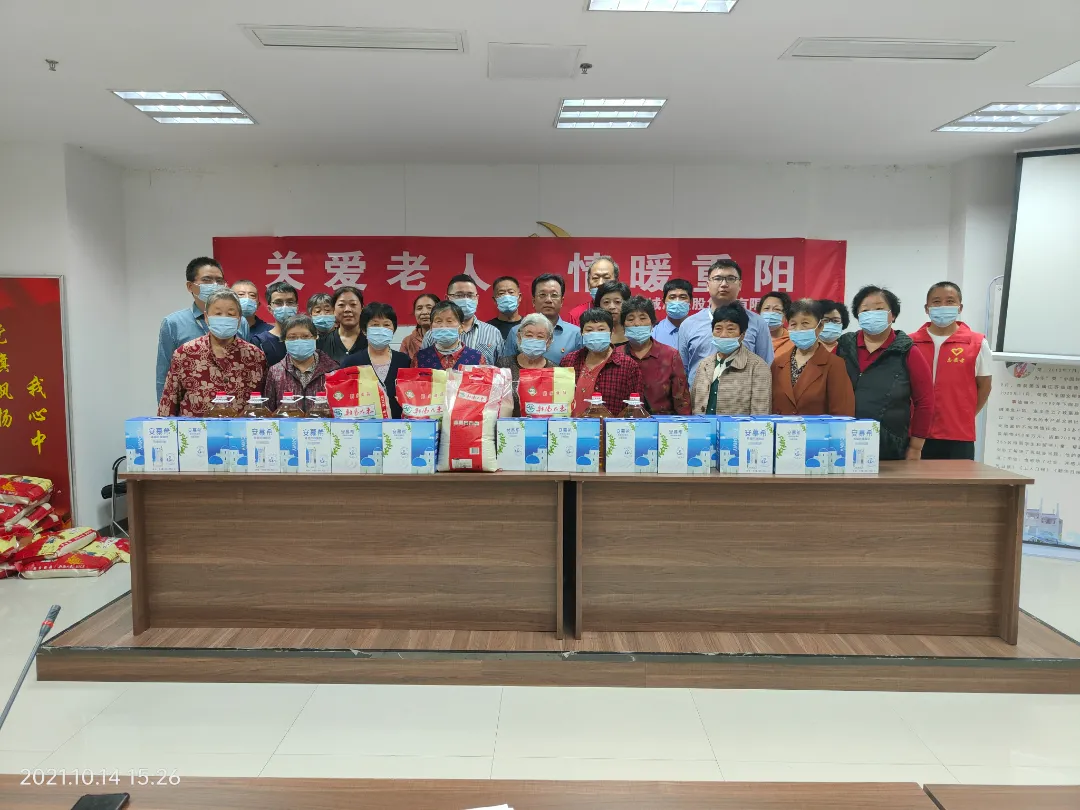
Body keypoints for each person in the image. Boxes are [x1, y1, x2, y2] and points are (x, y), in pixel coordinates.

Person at [836, 285, 935, 461]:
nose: (872, 314)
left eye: (879, 309)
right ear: (858, 316)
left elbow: (925, 402)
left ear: (893, 315)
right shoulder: (843, 346)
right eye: (865, 310)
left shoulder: (908, 351)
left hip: (890, 447)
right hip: (841, 443)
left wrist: (915, 447)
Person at [909, 281, 993, 460]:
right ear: (927, 308)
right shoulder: (910, 343)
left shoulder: (977, 343)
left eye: (950, 301)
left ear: (960, 307)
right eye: (936, 302)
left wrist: (964, 415)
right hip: (913, 433)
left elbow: (984, 386)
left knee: (957, 479)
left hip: (957, 435)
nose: (943, 306)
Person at [158, 289, 265, 417]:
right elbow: (168, 403)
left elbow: (264, 404)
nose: (224, 318)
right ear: (206, 318)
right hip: (195, 429)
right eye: (218, 314)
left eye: (231, 314)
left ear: (239, 319)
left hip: (240, 429)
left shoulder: (255, 356)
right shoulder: (185, 353)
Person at [155, 257, 250, 401]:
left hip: (234, 404)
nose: (215, 285)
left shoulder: (240, 322)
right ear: (190, 286)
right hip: (194, 407)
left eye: (219, 281)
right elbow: (164, 376)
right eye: (207, 280)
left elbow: (247, 365)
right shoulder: (173, 323)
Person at [679, 259, 773, 382]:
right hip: (700, 393)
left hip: (742, 393)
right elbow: (681, 371)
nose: (724, 284)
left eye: (730, 278)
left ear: (740, 285)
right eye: (717, 279)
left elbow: (765, 367)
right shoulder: (689, 324)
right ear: (707, 285)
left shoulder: (757, 323)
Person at [771, 299, 855, 417]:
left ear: (820, 326)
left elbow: (842, 413)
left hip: (818, 429)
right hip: (781, 428)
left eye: (805, 323)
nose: (799, 329)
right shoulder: (778, 363)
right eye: (793, 324)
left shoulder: (835, 364)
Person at [690, 303, 772, 416]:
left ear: (742, 335)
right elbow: (694, 405)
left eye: (730, 329)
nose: (723, 335)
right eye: (718, 329)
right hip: (703, 426)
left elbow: (760, 414)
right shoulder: (704, 364)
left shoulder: (757, 367)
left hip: (737, 427)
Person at [561, 308, 642, 417]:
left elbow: (636, 410)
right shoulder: (569, 361)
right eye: (589, 330)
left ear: (611, 332)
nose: (595, 334)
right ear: (581, 333)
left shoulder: (628, 366)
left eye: (601, 329)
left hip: (610, 427)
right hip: (570, 426)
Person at [340, 303, 412, 419]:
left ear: (393, 329)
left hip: (399, 427)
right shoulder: (350, 363)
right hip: (362, 426)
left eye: (386, 324)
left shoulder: (404, 361)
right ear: (364, 330)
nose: (381, 329)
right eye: (375, 325)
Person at [620, 296, 690, 415]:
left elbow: (682, 401)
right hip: (622, 423)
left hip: (662, 423)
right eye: (630, 319)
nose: (637, 324)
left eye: (643, 318)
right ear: (623, 326)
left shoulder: (670, 355)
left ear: (652, 323)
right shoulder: (616, 356)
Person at [263, 315, 339, 414]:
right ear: (284, 340)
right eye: (292, 337)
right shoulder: (275, 371)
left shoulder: (332, 370)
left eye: (305, 336)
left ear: (315, 337)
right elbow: (268, 410)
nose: (299, 341)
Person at [420, 275, 504, 364]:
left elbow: (501, 369)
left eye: (470, 295)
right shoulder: (432, 334)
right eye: (459, 295)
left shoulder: (493, 333)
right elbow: (422, 364)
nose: (465, 300)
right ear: (447, 298)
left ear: (477, 298)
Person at [502, 274, 582, 364]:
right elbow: (507, 367)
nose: (548, 300)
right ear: (533, 301)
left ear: (561, 301)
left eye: (554, 295)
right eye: (542, 295)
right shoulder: (516, 331)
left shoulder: (575, 334)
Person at [496, 313, 556, 417]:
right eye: (529, 335)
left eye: (540, 336)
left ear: (548, 341)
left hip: (544, 425)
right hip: (509, 425)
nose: (534, 340)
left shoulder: (555, 370)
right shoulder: (503, 365)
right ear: (520, 337)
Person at [414, 301, 486, 370]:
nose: (443, 326)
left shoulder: (477, 358)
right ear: (431, 327)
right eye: (438, 321)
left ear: (461, 327)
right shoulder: (419, 358)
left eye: (449, 321)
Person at [250, 281, 300, 369]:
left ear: (296, 307)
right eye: (278, 302)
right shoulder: (259, 342)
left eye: (290, 302)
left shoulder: (307, 339)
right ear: (270, 309)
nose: (285, 306)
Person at [319, 285, 368, 364]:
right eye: (341, 305)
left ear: (362, 308)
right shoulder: (321, 344)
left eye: (353, 304)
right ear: (334, 310)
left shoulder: (372, 342)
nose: (347, 309)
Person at [567, 256, 619, 327]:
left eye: (606, 278)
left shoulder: (626, 313)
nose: (600, 283)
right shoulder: (576, 315)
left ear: (616, 282)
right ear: (588, 283)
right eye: (595, 278)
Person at [653, 278, 693, 350]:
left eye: (682, 297)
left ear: (691, 301)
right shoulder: (654, 332)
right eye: (672, 297)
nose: (677, 301)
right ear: (664, 302)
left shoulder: (700, 330)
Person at [400, 293, 439, 363]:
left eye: (429, 308)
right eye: (419, 308)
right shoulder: (408, 341)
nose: (424, 312)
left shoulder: (448, 337)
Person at [594, 281, 632, 347]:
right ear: (598, 305)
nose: (612, 307)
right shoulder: (592, 333)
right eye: (606, 302)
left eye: (617, 302)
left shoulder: (635, 331)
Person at [758, 291, 794, 357]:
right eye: (766, 308)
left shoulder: (793, 342)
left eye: (777, 309)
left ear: (786, 316)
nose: (770, 313)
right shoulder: (751, 339)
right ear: (759, 313)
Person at [488, 276, 523, 340]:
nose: (507, 296)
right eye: (501, 293)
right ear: (495, 300)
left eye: (511, 292)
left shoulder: (529, 324)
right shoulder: (487, 328)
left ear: (519, 297)